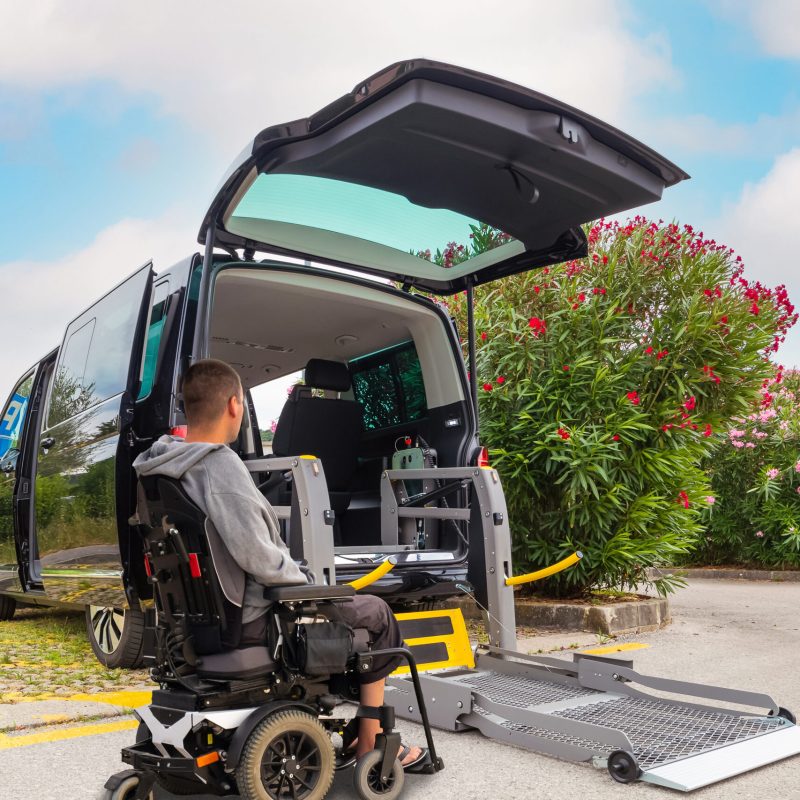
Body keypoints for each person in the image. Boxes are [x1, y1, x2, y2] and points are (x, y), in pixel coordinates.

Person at [133, 358, 426, 770]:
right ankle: (370, 742)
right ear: (235, 405)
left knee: (353, 612)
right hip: (253, 619)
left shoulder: (159, 469)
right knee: (377, 615)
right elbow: (259, 557)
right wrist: (306, 583)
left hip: (195, 624)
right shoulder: (218, 465)